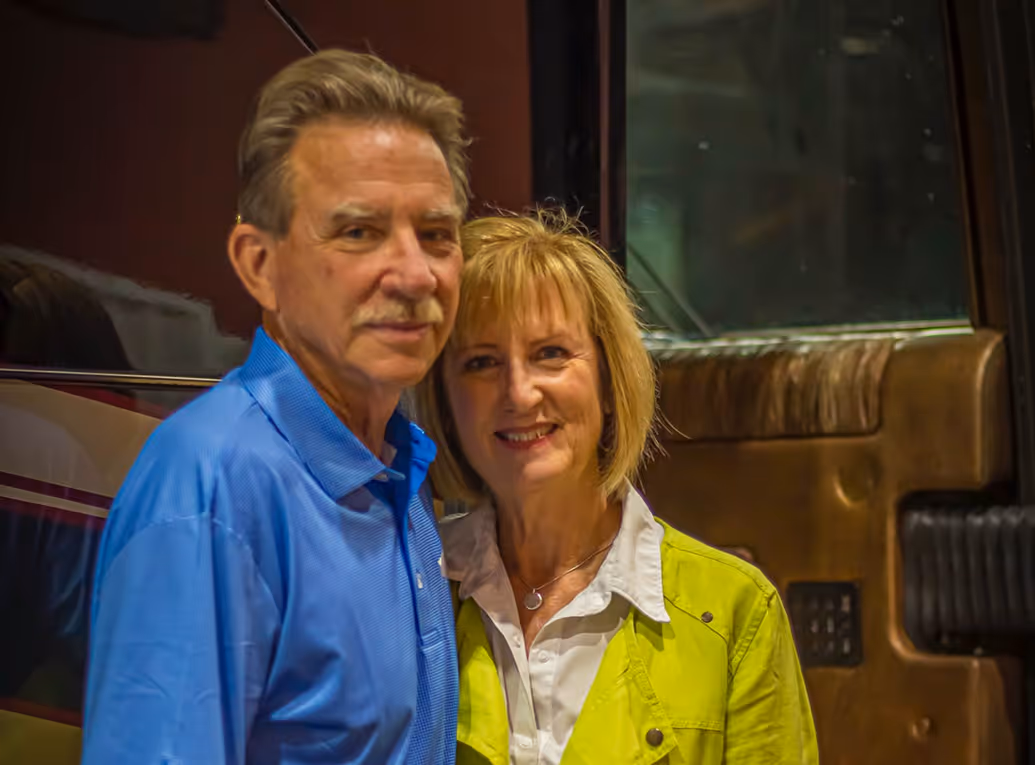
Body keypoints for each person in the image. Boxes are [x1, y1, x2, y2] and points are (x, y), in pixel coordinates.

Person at [81, 49, 470, 765]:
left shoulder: (398, 468)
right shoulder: (212, 485)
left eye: (437, 234)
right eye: (359, 231)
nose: (416, 273)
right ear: (259, 264)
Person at [414, 211, 819, 765]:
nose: (519, 392)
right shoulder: (412, 586)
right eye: (482, 362)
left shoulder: (737, 612)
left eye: (550, 354)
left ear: (608, 381)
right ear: (446, 399)